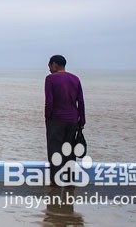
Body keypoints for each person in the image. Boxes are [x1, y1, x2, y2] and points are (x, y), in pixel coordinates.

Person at [45, 54, 86, 185]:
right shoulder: (75, 79)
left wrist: (47, 116)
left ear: (54, 64)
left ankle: (55, 181)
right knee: (69, 151)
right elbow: (81, 101)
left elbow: (49, 101)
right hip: (73, 119)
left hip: (56, 119)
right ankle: (69, 180)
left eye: (50, 66)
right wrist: (82, 120)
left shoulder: (50, 79)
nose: (49, 69)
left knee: (55, 150)